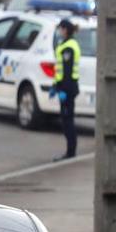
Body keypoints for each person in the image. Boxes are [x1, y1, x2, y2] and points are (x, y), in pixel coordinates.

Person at [49, 19, 81, 161]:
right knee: (66, 120)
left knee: (68, 121)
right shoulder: (66, 45)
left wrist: (63, 90)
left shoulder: (69, 47)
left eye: (60, 29)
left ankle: (71, 152)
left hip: (68, 89)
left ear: (65, 30)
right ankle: (70, 151)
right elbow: (60, 71)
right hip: (65, 87)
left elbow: (67, 72)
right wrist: (55, 86)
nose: (59, 32)